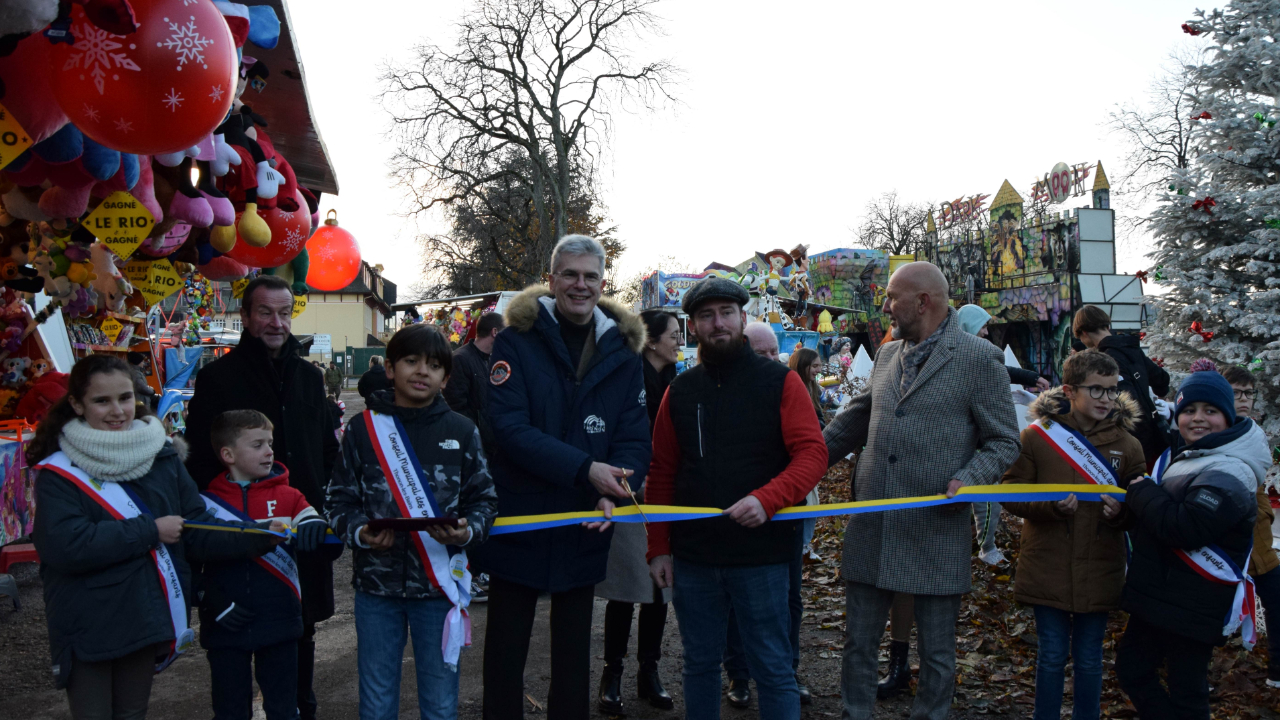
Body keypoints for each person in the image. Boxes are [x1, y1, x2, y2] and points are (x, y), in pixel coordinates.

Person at [824, 262, 1021, 720]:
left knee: (936, 651)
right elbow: (851, 423)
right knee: (858, 643)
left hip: (935, 527)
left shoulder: (979, 358)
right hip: (874, 524)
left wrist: (972, 476)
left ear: (923, 302)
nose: (886, 306)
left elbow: (1004, 440)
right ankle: (856, 713)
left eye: (893, 297)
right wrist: (800, 466)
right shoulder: (889, 355)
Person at [29, 355, 269, 720]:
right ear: (77, 404)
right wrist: (150, 530)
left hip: (145, 616)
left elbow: (196, 525)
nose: (117, 411)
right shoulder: (58, 472)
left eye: (125, 398)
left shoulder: (162, 455)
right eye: (101, 401)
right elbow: (65, 546)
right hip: (87, 624)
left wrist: (261, 535)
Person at [476, 235, 651, 720]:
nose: (580, 285)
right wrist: (586, 470)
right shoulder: (516, 340)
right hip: (520, 518)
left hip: (586, 519)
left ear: (602, 283)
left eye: (590, 276)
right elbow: (510, 429)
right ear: (551, 280)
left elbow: (634, 439)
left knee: (574, 654)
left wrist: (615, 491)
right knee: (506, 652)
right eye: (570, 275)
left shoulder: (623, 350)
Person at [646, 277, 828, 720]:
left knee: (773, 666)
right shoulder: (680, 392)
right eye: (707, 316)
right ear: (693, 326)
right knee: (701, 664)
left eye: (726, 312)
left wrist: (768, 499)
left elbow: (812, 454)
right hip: (695, 557)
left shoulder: (780, 383)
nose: (718, 323)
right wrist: (659, 549)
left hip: (763, 555)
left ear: (743, 319)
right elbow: (662, 473)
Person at [184, 274, 341, 720]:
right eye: (265, 312)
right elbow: (199, 460)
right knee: (232, 659)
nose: (276, 322)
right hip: (236, 539)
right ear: (246, 316)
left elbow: (327, 449)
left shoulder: (310, 378)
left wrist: (318, 508)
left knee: (299, 639)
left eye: (284, 312)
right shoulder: (217, 378)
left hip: (299, 533)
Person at [326, 323, 498, 720]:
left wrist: (466, 529)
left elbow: (484, 500)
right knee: (376, 700)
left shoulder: (461, 431)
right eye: (411, 361)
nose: (422, 371)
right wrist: (360, 533)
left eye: (434, 365)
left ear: (445, 377)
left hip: (439, 591)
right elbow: (338, 499)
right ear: (389, 368)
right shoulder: (361, 430)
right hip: (376, 590)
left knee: (440, 704)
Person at [1001, 350, 1146, 720]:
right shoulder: (1036, 438)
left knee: (1090, 658)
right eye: (1096, 390)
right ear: (1069, 389)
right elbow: (1011, 492)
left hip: (1100, 567)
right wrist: (1050, 508)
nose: (1106, 399)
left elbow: (1144, 502)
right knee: (1050, 655)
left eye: (1113, 391)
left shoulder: (1128, 445)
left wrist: (1124, 513)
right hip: (1048, 563)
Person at [1116, 370, 1268, 719]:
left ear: (1228, 417)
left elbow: (1185, 527)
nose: (1198, 418)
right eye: (1189, 409)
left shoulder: (1232, 469)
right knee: (1134, 671)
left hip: (1194, 603)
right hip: (1163, 595)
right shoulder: (1190, 455)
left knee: (1187, 693)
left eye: (1210, 410)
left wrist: (1140, 491)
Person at [196, 410, 330, 720]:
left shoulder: (291, 496)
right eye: (257, 445)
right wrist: (209, 599)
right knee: (229, 711)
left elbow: (326, 541)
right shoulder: (206, 504)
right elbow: (189, 563)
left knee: (284, 709)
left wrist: (318, 528)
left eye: (270, 443)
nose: (269, 451)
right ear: (227, 454)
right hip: (225, 622)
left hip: (280, 622)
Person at [722, 320, 815, 709]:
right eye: (759, 352)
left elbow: (812, 447)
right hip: (739, 512)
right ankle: (739, 675)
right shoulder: (725, 390)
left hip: (787, 512)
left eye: (773, 351)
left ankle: (787, 670)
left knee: (791, 597)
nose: (768, 359)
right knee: (735, 599)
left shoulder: (791, 388)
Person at [595, 309, 680, 714]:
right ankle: (611, 674)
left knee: (658, 589)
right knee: (626, 588)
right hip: (631, 493)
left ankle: (650, 671)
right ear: (651, 340)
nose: (680, 341)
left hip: (667, 497)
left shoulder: (675, 382)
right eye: (674, 335)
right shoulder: (628, 377)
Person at [1221, 364, 1280, 688]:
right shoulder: (1217, 435)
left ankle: (1277, 673)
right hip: (1228, 543)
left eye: (1249, 393)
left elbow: (1259, 488)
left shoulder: (1254, 434)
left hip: (1258, 540)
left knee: (1276, 598)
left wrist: (1265, 518)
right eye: (1237, 393)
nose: (1244, 399)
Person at [1073, 305, 1170, 465]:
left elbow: (1125, 402)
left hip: (1130, 439)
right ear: (1107, 326)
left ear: (1084, 333)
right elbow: (1162, 380)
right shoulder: (1132, 349)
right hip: (1153, 435)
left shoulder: (1105, 360)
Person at [444, 311, 504, 452]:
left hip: (490, 445)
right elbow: (456, 407)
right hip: (473, 445)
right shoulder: (460, 359)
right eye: (505, 331)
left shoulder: (492, 359)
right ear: (495, 332)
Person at [956, 304, 1050, 390]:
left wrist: (1033, 378)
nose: (986, 332)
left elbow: (1000, 370)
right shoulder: (957, 362)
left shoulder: (972, 357)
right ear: (970, 326)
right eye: (983, 327)